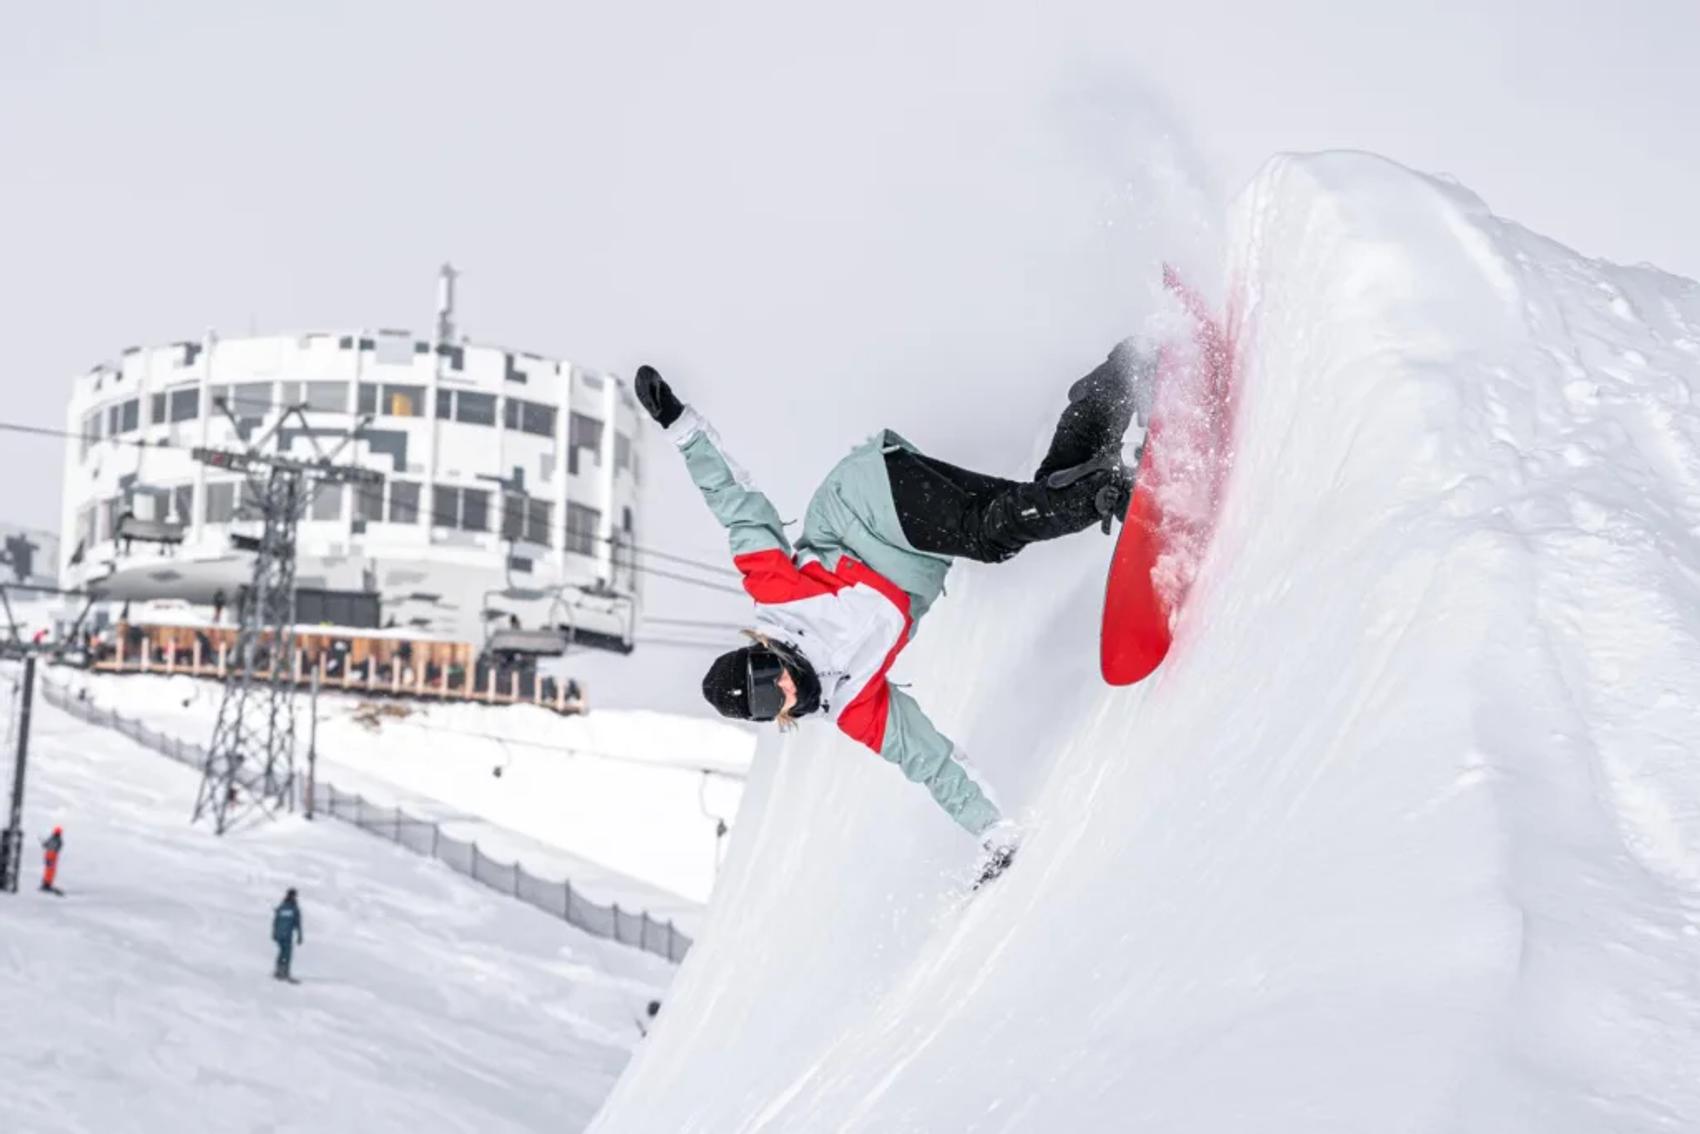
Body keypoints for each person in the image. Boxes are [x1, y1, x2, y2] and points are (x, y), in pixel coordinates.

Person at [635, 345, 1142, 882]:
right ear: (770, 718)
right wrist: (994, 831)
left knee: (989, 533)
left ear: (763, 651)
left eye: (765, 674)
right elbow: (929, 761)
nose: (781, 686)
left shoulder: (777, 596)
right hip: (914, 530)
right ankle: (1117, 383)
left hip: (866, 504)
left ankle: (1108, 494)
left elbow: (735, 503)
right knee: (1028, 506)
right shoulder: (853, 704)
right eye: (767, 701)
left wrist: (680, 426)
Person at [272, 888, 305, 981]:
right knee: (287, 953)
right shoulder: (293, 908)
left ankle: (279, 971)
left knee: (282, 952)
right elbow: (297, 923)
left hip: (279, 934)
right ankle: (284, 972)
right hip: (286, 935)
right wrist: (300, 936)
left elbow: (276, 921)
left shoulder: (282, 906)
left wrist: (274, 933)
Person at [40, 826, 63, 894]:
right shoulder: (59, 840)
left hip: (48, 855)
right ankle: (47, 884)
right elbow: (58, 848)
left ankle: (45, 883)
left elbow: (45, 845)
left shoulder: (51, 838)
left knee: (48, 869)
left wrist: (44, 843)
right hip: (52, 856)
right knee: (50, 870)